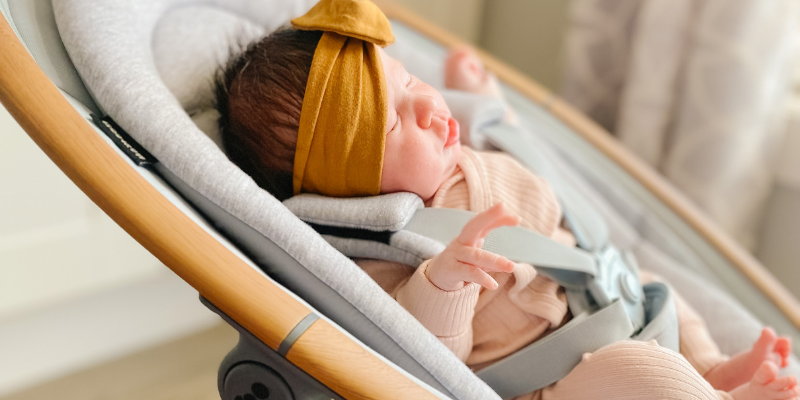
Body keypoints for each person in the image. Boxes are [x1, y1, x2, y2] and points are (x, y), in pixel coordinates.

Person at [215, 1, 797, 398]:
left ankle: (712, 370)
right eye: (394, 124)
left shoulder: (459, 149)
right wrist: (445, 285)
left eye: (411, 83)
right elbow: (431, 352)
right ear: (350, 187)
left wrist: (484, 97)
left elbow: (521, 153)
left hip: (609, 291)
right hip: (561, 372)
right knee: (641, 372)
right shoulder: (390, 247)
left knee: (675, 304)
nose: (428, 106)